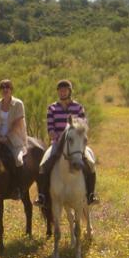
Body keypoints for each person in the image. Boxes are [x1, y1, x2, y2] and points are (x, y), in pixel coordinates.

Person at [34, 79, 99, 207]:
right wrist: (55, 136)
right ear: (58, 92)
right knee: (43, 165)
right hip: (58, 143)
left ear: (69, 91)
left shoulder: (78, 107)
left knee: (90, 163)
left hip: (76, 145)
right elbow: (50, 128)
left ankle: (91, 194)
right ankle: (42, 196)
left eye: (65, 90)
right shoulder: (52, 108)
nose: (62, 92)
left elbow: (83, 125)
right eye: (60, 90)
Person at [0, 79, 27, 198]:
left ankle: (19, 188)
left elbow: (18, 123)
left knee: (18, 160)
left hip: (14, 139)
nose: (5, 90)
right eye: (3, 88)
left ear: (11, 90)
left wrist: (7, 137)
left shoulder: (18, 104)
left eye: (8, 87)